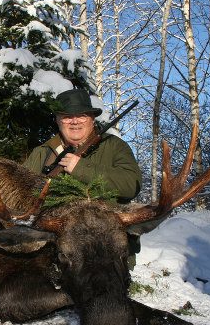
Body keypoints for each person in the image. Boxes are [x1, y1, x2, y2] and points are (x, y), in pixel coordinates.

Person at [23, 88, 143, 266]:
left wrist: (81, 168)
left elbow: (131, 185)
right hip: (50, 251)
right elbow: (20, 192)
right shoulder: (42, 153)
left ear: (92, 119)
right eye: (67, 116)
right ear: (57, 120)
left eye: (82, 115)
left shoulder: (114, 147)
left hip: (104, 251)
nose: (74, 121)